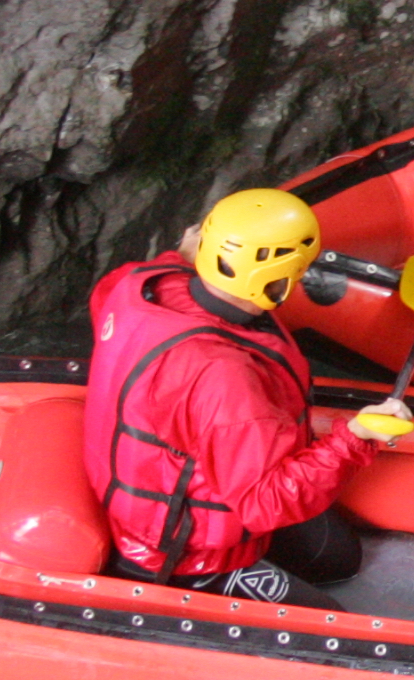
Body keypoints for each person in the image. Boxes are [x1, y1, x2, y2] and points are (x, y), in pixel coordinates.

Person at [82, 187, 376, 607]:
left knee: (338, 559)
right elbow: (265, 502)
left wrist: (181, 257)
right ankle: (192, 587)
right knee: (335, 619)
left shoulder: (136, 283)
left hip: (180, 484)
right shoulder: (227, 377)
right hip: (186, 553)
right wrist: (358, 436)